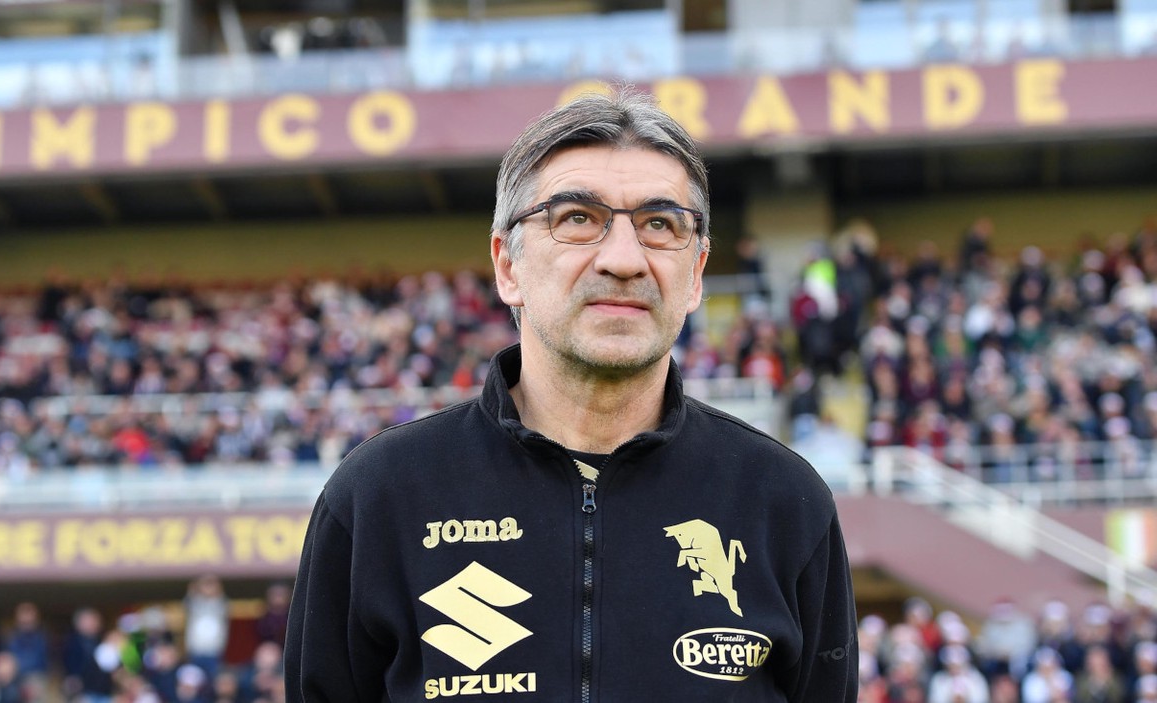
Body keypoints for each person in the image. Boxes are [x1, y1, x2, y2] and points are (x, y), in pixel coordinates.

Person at [284, 89, 857, 701]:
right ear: (508, 267)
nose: (623, 259)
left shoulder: (785, 504)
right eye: (577, 219)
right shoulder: (379, 499)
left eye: (659, 225)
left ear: (696, 275)